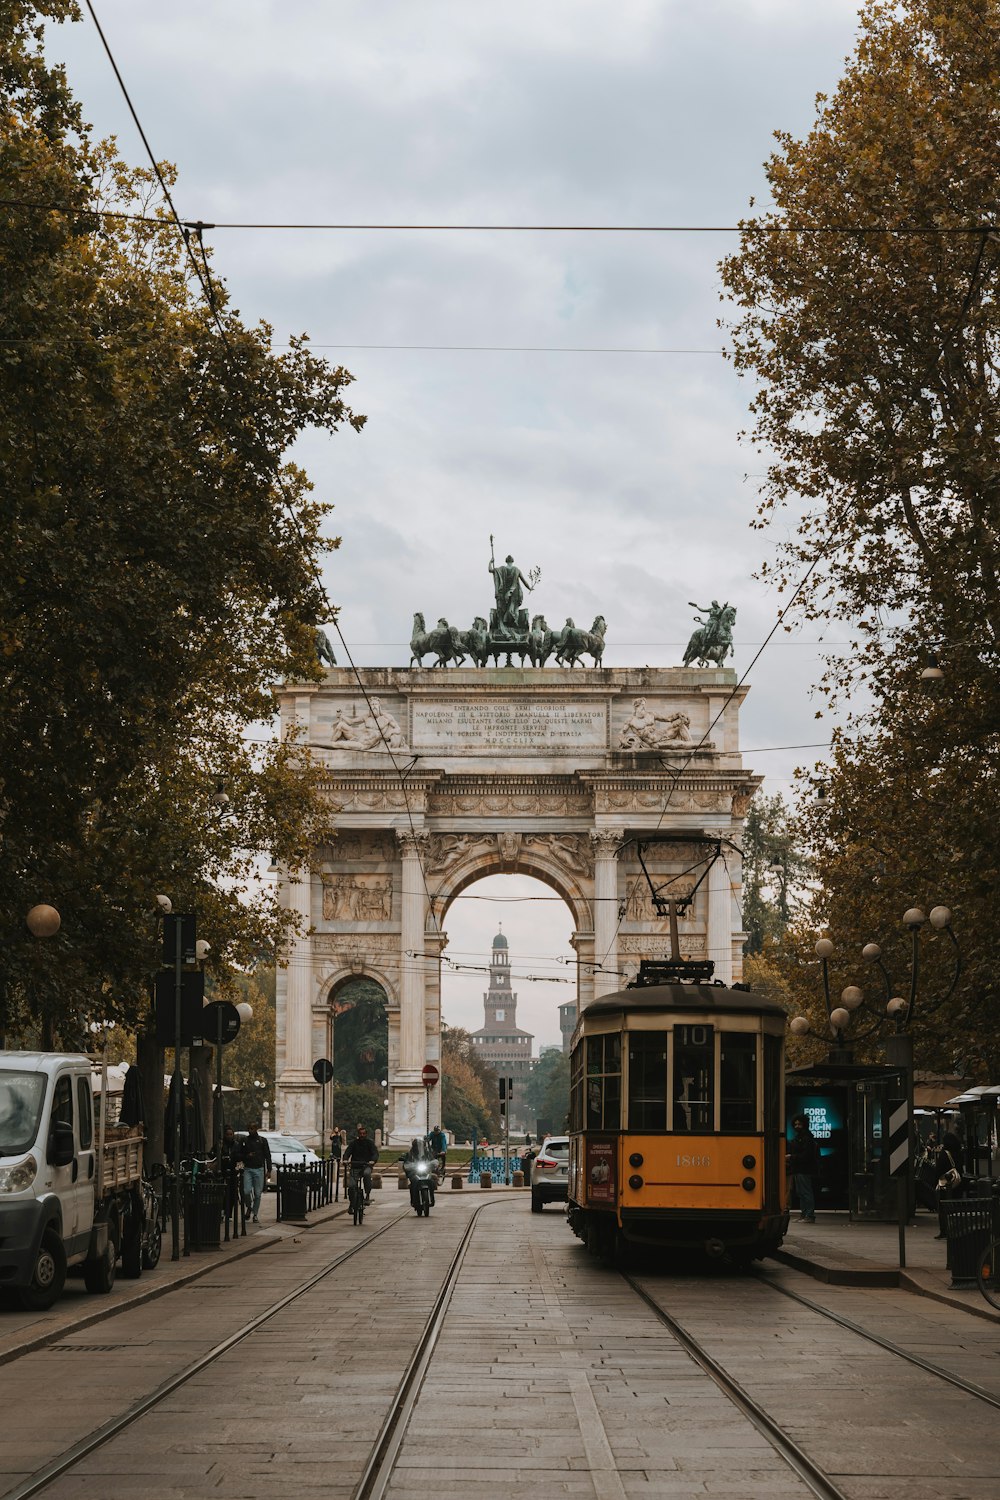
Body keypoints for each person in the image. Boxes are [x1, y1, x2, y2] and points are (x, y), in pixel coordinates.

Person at [935, 1115, 965, 1239]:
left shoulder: (944, 1154)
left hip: (946, 1185)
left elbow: (938, 1170)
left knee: (943, 1208)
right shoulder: (958, 1152)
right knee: (955, 1208)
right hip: (957, 1184)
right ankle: (955, 1229)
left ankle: (944, 1231)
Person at [787, 1114, 819, 1223]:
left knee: (805, 1192)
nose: (797, 1126)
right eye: (795, 1124)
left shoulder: (805, 1138)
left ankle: (808, 1215)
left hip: (803, 1169)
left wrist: (791, 1157)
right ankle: (805, 1214)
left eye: (799, 1124)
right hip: (799, 1168)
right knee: (801, 1192)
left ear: (804, 1125)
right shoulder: (802, 1138)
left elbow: (806, 1155)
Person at [241, 1122, 272, 1223]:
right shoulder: (245, 1140)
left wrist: (269, 1169)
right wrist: (247, 1156)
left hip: (259, 1169)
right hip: (248, 1168)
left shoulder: (262, 1141)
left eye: (252, 1128)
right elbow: (240, 1154)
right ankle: (249, 1206)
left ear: (256, 1129)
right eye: (249, 1128)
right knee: (246, 1191)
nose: (250, 1131)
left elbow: (267, 1155)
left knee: (258, 1194)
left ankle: (255, 1214)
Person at [344, 1124, 379, 1205]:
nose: (362, 1135)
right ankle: (352, 1203)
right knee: (352, 1185)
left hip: (366, 1166)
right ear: (358, 1134)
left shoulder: (370, 1143)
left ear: (366, 1134)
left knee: (367, 1174)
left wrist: (373, 1160)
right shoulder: (354, 1143)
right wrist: (345, 1159)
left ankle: (367, 1193)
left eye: (363, 1134)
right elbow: (347, 1152)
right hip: (355, 1166)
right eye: (360, 1134)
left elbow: (375, 1153)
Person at [404, 1137, 434, 1209]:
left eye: (420, 1145)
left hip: (425, 1171)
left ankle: (432, 1198)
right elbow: (406, 1163)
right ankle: (414, 1200)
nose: (419, 1146)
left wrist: (433, 1163)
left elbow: (432, 1159)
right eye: (417, 1145)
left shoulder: (426, 1153)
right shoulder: (410, 1153)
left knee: (431, 1181)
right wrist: (409, 1166)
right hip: (414, 1172)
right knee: (413, 1182)